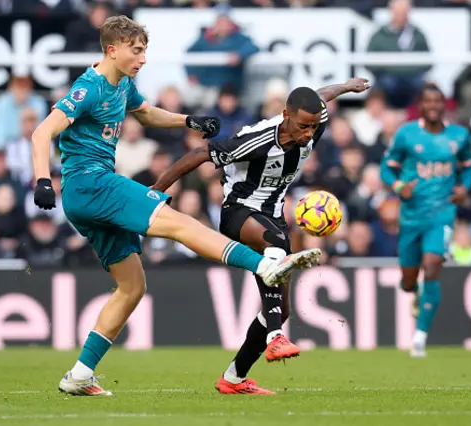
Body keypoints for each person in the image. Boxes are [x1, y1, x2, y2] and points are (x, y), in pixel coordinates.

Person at [31, 15, 297, 397]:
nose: (142, 59)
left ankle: (79, 374)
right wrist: (42, 180)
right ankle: (264, 265)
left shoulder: (122, 84)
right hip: (91, 184)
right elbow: (43, 132)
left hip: (89, 195)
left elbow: (147, 113)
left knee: (132, 286)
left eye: (144, 51)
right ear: (112, 50)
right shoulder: (88, 88)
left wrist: (188, 121)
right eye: (136, 51)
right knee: (179, 224)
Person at [152, 78, 371, 394]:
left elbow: (319, 97)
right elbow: (201, 153)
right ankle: (275, 338)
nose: (309, 134)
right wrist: (157, 190)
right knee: (278, 246)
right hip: (238, 213)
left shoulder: (312, 126)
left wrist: (346, 86)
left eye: (313, 127)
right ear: (285, 115)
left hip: (273, 218)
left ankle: (234, 378)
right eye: (303, 126)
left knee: (281, 310)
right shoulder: (258, 141)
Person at [380, 82, 471, 358]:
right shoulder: (407, 135)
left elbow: (468, 166)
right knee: (408, 282)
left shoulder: (459, 136)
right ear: (420, 105)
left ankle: (419, 338)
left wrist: (463, 187)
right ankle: (415, 292)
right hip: (411, 217)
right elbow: (387, 168)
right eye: (428, 101)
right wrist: (399, 187)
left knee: (433, 263)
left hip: (442, 214)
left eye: (438, 101)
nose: (433, 106)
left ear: (444, 105)